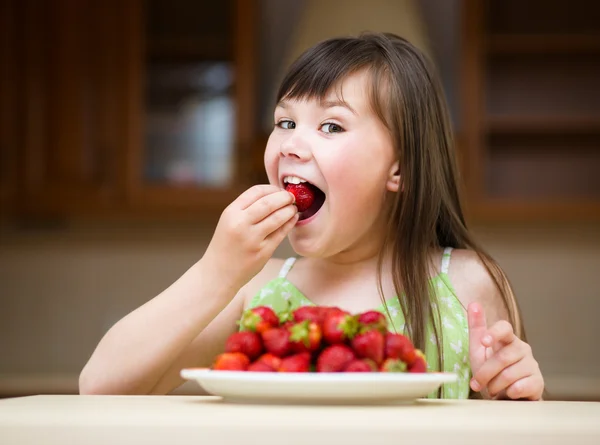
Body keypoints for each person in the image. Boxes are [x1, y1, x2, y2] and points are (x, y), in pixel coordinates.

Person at [79, 32, 544, 400]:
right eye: (285, 122)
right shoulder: (257, 289)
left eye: (331, 125)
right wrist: (215, 271)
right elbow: (99, 386)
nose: (291, 145)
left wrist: (515, 390)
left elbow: (511, 416)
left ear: (399, 167)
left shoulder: (469, 284)